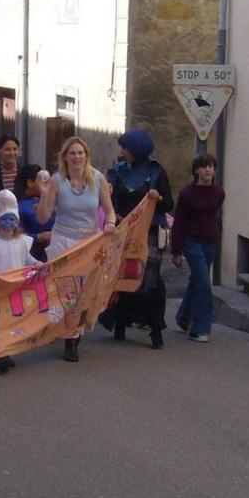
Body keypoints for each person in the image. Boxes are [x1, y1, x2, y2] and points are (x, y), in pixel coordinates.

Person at [36, 136, 117, 362]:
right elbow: (43, 217)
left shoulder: (98, 179)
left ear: (86, 155)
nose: (77, 157)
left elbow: (109, 210)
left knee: (83, 292)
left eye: (80, 153)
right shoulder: (57, 181)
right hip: (63, 241)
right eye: (72, 153)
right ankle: (64, 334)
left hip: (89, 244)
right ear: (65, 157)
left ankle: (72, 337)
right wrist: (44, 194)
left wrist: (109, 222)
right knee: (63, 291)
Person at [104, 129, 174, 348]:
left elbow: (169, 204)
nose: (122, 151)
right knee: (123, 274)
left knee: (149, 277)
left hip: (151, 231)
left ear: (137, 149)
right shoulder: (117, 172)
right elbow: (110, 202)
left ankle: (155, 328)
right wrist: (116, 219)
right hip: (124, 230)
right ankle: (121, 323)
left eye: (126, 147)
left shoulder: (155, 171)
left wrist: (158, 197)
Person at [0, 190, 36, 373]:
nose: (8, 223)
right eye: (4, 219)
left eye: (12, 219)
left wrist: (39, 264)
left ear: (17, 221)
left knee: (12, 320)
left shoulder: (22, 242)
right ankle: (1, 353)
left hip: (16, 287)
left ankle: (8, 350)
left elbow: (28, 259)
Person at [172, 152, 226, 343]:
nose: (208, 170)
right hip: (191, 241)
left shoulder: (219, 193)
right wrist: (176, 251)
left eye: (211, 166)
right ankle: (200, 329)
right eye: (204, 166)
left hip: (210, 242)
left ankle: (183, 317)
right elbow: (179, 222)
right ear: (196, 170)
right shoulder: (187, 194)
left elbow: (214, 217)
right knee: (204, 282)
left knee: (197, 280)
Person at [18, 164, 53, 262]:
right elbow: (14, 236)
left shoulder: (52, 201)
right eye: (42, 180)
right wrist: (38, 236)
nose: (46, 183)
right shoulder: (20, 207)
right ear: (30, 182)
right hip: (32, 257)